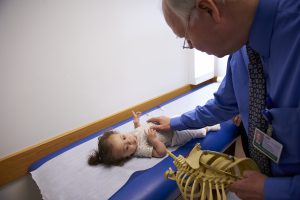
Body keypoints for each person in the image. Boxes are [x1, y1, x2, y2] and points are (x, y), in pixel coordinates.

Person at [147, 0, 300, 199]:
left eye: (187, 37)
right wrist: (176, 122)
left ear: (209, 9)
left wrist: (273, 190)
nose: (191, 46)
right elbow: (222, 105)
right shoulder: (241, 51)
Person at [88, 111, 220, 166]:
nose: (129, 141)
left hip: (166, 125)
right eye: (126, 147)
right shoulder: (140, 150)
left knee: (184, 117)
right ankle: (207, 128)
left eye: (123, 137)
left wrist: (136, 121)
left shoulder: (131, 134)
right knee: (194, 132)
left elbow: (138, 129)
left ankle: (203, 119)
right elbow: (161, 152)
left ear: (121, 133)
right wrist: (154, 141)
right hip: (174, 137)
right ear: (127, 156)